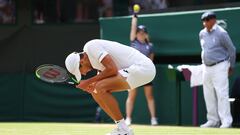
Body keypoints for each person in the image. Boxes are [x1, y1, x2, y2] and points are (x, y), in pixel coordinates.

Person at [65, 39, 156, 135]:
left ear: (82, 62)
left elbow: (112, 69)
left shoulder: (90, 47)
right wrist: (91, 85)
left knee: (99, 87)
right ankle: (123, 128)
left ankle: (123, 130)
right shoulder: (94, 60)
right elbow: (105, 73)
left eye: (80, 71)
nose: (83, 73)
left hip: (144, 67)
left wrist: (88, 81)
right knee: (95, 91)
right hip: (137, 70)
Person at [199, 11, 236, 128]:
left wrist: (232, 65)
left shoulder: (222, 33)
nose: (205, 23)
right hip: (206, 67)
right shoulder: (202, 33)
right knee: (208, 94)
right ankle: (213, 120)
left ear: (214, 20)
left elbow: (232, 49)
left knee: (222, 94)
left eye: (207, 20)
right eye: (203, 21)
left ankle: (226, 121)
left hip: (220, 65)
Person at [125, 12, 158, 126]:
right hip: (134, 73)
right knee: (131, 96)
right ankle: (128, 119)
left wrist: (147, 71)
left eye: (142, 32)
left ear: (145, 35)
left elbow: (151, 61)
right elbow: (133, 28)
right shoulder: (133, 42)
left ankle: (153, 119)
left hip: (146, 74)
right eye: (138, 32)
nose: (140, 34)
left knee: (149, 96)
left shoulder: (150, 46)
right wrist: (134, 17)